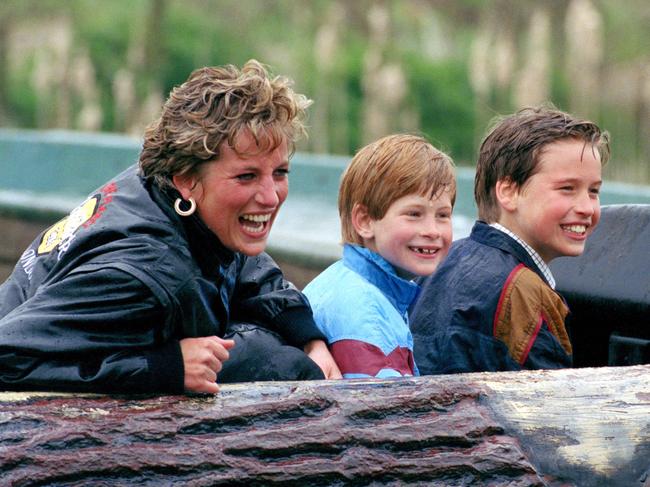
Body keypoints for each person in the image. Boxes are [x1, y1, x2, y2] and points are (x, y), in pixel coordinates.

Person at [0, 60, 341, 394]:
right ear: (187, 181)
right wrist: (163, 367)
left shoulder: (163, 192)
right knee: (280, 365)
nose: (270, 196)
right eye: (246, 176)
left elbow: (243, 261)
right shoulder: (144, 275)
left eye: (280, 173)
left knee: (278, 349)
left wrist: (306, 334)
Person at [410, 105, 610, 375]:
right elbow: (550, 407)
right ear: (508, 192)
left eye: (594, 191)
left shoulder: (442, 262)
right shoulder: (526, 294)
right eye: (567, 189)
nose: (587, 207)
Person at [303, 134, 456, 378]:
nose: (432, 231)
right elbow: (383, 412)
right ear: (365, 221)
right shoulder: (366, 315)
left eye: (443, 215)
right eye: (414, 214)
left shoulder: (348, 281)